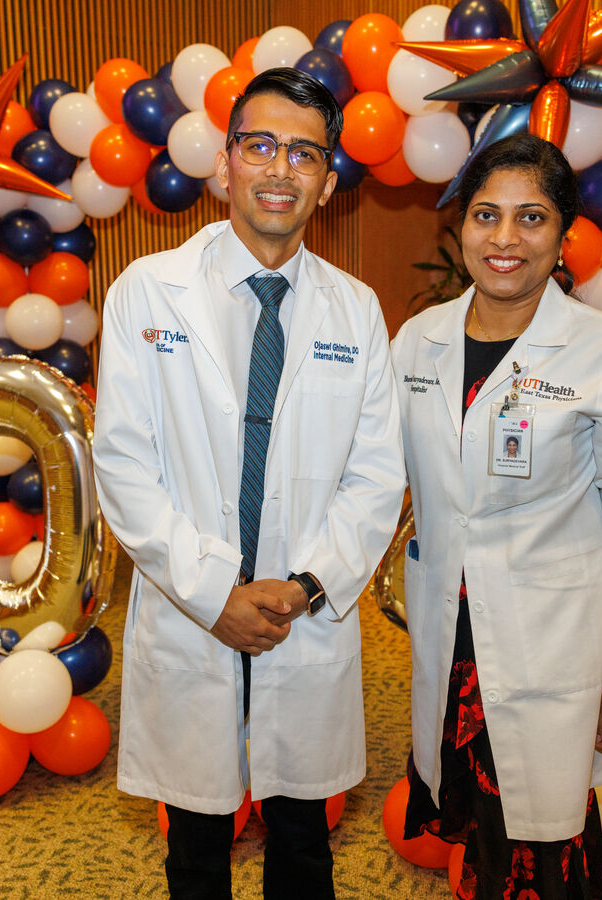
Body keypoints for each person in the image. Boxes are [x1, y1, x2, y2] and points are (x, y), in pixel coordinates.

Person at [92, 68, 405, 900]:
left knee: (304, 845)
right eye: (260, 145)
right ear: (225, 164)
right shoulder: (145, 293)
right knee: (195, 849)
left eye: (304, 153)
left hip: (301, 617)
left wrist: (304, 587)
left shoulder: (358, 311)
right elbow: (123, 466)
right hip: (192, 610)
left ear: (329, 183)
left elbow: (376, 476)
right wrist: (214, 592)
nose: (280, 168)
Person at [390, 134, 602, 899]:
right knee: (478, 830)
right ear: (460, 227)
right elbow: (377, 475)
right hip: (450, 636)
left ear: (563, 235)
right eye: (487, 215)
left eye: (532, 217)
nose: (506, 239)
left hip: (549, 639)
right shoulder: (418, 341)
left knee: (540, 843)